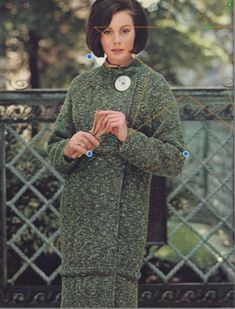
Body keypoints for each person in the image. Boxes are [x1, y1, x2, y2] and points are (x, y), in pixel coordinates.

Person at [47, 0, 186, 307]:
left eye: (125, 30)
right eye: (108, 31)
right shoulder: (81, 86)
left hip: (123, 224)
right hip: (79, 222)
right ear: (97, 36)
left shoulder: (153, 86)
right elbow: (55, 150)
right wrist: (69, 149)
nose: (117, 39)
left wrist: (128, 136)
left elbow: (176, 158)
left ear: (138, 34)